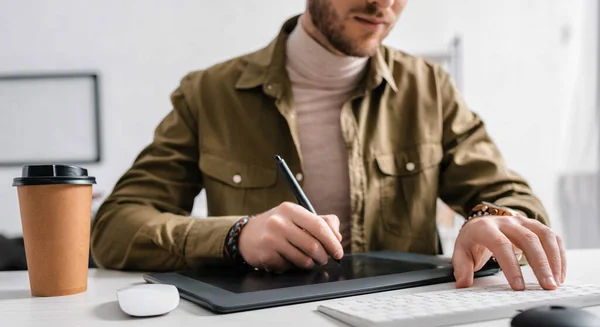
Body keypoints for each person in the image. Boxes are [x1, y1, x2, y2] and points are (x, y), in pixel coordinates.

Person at [91, 0, 566, 291]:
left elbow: (517, 202)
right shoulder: (208, 94)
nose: (384, 3)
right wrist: (235, 236)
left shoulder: (430, 89)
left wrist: (490, 222)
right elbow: (114, 228)